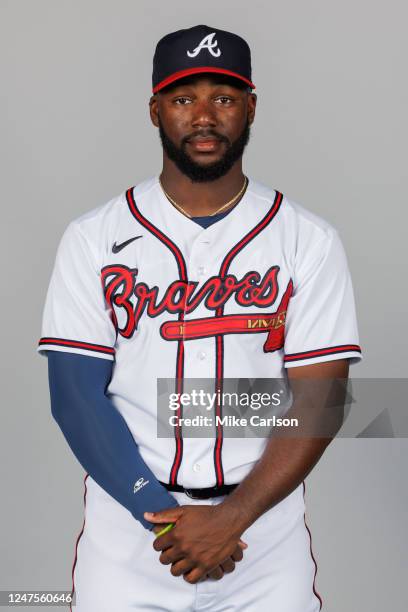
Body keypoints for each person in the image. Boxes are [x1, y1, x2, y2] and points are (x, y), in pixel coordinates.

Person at [38, 24, 362, 611]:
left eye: (225, 97)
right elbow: (74, 395)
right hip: (129, 533)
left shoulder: (307, 241)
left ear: (251, 108)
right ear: (156, 110)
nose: (205, 116)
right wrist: (161, 518)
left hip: (263, 530)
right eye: (185, 98)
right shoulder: (94, 238)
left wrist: (232, 517)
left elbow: (321, 399)